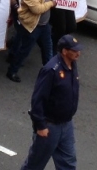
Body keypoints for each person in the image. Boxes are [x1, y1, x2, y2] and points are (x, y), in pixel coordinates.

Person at [20, 35, 82, 170]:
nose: (78, 53)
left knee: (68, 164)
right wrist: (41, 126)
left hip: (66, 124)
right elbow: (38, 99)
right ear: (64, 51)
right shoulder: (51, 70)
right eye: (74, 50)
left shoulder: (72, 65)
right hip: (50, 126)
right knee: (35, 164)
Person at [7, 0, 57, 83]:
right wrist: (52, 3)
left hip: (44, 25)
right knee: (24, 50)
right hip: (32, 26)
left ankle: (49, 73)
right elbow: (37, 9)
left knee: (47, 49)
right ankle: (12, 71)